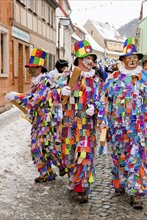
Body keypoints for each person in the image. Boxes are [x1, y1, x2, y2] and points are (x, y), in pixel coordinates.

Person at [98, 38, 147, 209]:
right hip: (118, 127)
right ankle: (119, 181)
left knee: (137, 158)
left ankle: (136, 192)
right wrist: (103, 120)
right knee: (120, 156)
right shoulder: (113, 78)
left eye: (135, 57)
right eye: (129, 57)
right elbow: (105, 101)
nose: (133, 60)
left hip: (139, 128)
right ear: (123, 60)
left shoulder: (146, 78)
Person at [5, 48, 64, 183]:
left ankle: (62, 165)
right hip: (38, 120)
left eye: (32, 68)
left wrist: (18, 96)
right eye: (29, 68)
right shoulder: (36, 82)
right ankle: (47, 173)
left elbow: (38, 98)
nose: (30, 70)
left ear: (40, 68)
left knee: (46, 146)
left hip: (48, 120)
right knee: (36, 147)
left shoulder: (45, 81)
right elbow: (33, 103)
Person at [58, 40, 104, 204]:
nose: (90, 61)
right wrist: (59, 92)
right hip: (69, 126)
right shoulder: (67, 77)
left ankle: (81, 188)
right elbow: (52, 96)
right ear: (78, 59)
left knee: (83, 155)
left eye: (91, 57)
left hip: (86, 126)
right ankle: (73, 179)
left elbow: (102, 101)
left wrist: (96, 109)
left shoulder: (97, 81)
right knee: (70, 156)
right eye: (86, 57)